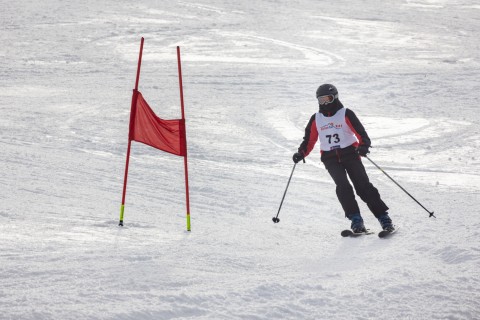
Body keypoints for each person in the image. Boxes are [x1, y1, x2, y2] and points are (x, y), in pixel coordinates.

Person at [292, 84, 394, 233]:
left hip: (350, 154)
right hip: (330, 158)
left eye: (328, 99)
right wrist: (301, 153)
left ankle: (384, 218)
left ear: (335, 98)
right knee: (343, 187)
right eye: (321, 100)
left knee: (363, 186)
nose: (325, 103)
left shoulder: (346, 114)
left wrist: (364, 145)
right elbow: (309, 140)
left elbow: (361, 133)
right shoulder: (316, 119)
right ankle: (356, 220)